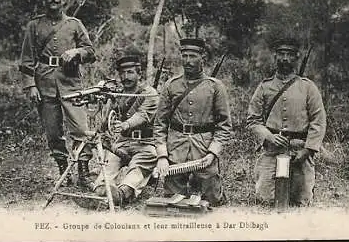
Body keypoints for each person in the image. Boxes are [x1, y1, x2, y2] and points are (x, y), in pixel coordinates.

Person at [19, 0, 96, 189]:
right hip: (44, 83)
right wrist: (30, 86)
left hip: (71, 82)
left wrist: (76, 52)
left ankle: (83, 171)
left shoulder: (74, 24)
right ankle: (63, 170)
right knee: (53, 131)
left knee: (81, 128)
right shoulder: (34, 25)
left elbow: (91, 52)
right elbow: (26, 60)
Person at [246, 36, 326, 207]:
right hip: (272, 149)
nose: (284, 58)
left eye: (289, 54)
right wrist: (269, 136)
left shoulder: (308, 87)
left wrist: (308, 149)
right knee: (265, 199)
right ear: (275, 56)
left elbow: (318, 121)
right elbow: (253, 120)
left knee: (301, 200)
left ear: (296, 57)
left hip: (299, 150)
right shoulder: (264, 87)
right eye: (280, 54)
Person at [154, 38, 232, 207]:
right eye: (185, 56)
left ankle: (206, 186)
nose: (188, 61)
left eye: (193, 56)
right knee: (172, 202)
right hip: (176, 150)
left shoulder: (215, 87)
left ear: (202, 57)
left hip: (204, 150)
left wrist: (212, 153)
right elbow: (159, 124)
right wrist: (162, 156)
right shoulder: (171, 86)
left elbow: (224, 126)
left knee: (211, 201)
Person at [92, 53, 159, 206]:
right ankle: (102, 190)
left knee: (138, 169)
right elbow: (105, 122)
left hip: (145, 144)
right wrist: (104, 101)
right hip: (122, 143)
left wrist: (125, 125)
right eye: (122, 73)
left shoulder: (150, 94)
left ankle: (123, 193)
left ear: (139, 73)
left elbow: (143, 115)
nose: (125, 77)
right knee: (107, 169)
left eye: (130, 72)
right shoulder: (118, 94)